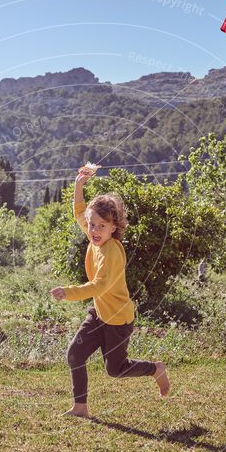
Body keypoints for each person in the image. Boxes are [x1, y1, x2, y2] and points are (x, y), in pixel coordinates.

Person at [50, 165, 169, 418]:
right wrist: (79, 184)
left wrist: (68, 292)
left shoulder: (111, 252)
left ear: (113, 227)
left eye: (101, 226)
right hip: (99, 313)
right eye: (92, 225)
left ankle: (155, 369)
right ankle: (80, 407)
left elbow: (99, 286)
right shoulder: (94, 235)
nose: (93, 230)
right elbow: (80, 212)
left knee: (115, 369)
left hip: (117, 319)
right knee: (75, 354)